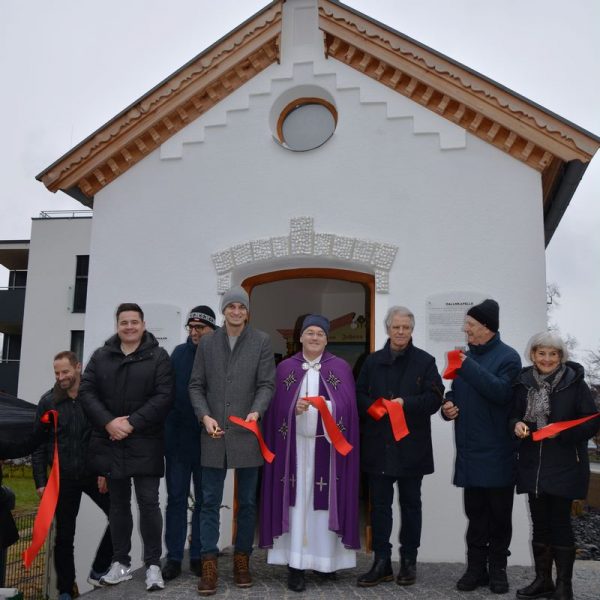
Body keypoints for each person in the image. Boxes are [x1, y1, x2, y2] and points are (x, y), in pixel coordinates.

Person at [259, 314, 360, 593]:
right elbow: (274, 411)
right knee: (298, 504)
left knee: (324, 505)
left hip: (327, 450)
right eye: (310, 333)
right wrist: (294, 410)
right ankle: (296, 564)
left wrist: (327, 407)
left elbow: (349, 409)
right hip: (295, 450)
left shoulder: (339, 368)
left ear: (327, 339)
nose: (314, 337)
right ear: (300, 337)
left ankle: (325, 562)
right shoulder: (284, 369)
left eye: (320, 334)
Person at [80, 303, 172, 592]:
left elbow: (164, 396)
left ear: (143, 325)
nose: (129, 327)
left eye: (134, 322)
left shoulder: (159, 357)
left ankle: (154, 565)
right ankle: (121, 563)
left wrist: (131, 423)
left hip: (145, 441)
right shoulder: (101, 356)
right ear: (117, 325)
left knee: (149, 503)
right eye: (124, 322)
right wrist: (109, 423)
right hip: (111, 443)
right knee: (118, 506)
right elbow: (86, 391)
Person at [188, 287, 275, 595]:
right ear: (223, 311)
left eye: (241, 307)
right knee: (209, 502)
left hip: (246, 433)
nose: (236, 311)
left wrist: (256, 411)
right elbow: (196, 386)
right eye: (231, 307)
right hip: (212, 434)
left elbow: (267, 384)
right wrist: (204, 416)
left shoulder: (262, 341)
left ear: (247, 311)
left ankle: (242, 560)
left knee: (248, 502)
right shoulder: (208, 342)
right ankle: (209, 564)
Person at [356, 306, 444, 587]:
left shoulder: (425, 361)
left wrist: (405, 404)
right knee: (379, 507)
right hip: (378, 446)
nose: (401, 332)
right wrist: (375, 408)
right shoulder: (371, 362)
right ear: (388, 328)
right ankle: (381, 562)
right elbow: (357, 395)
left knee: (411, 506)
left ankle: (409, 562)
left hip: (411, 447)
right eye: (396, 327)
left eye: (406, 327)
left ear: (412, 329)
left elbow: (434, 399)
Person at [510, 332, 599, 600]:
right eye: (542, 353)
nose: (547, 359)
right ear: (533, 355)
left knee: (560, 523)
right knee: (540, 524)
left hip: (564, 466)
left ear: (561, 357)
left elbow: (592, 421)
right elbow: (512, 413)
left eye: (553, 354)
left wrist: (561, 433)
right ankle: (543, 581)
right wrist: (516, 424)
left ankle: (565, 587)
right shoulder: (523, 383)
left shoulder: (575, 384)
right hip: (532, 466)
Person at [442, 298, 521, 594]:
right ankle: (475, 569)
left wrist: (467, 365)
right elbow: (455, 391)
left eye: (471, 325)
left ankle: (497, 569)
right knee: (475, 516)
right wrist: (448, 405)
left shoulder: (509, 358)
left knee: (499, 517)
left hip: (498, 452)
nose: (466, 330)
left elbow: (501, 393)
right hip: (470, 452)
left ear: (487, 328)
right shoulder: (466, 357)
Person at [29, 351, 113, 600]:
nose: (60, 377)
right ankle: (66, 590)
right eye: (56, 373)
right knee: (64, 538)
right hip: (62, 478)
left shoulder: (95, 397)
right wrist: (41, 482)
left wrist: (105, 471)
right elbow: (38, 444)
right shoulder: (49, 402)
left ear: (78, 367)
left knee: (119, 518)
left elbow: (107, 435)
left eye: (65, 371)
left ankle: (99, 570)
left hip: (92, 473)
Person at [162, 306, 217, 581]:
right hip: (178, 442)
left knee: (205, 501)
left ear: (211, 329)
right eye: (191, 327)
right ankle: (173, 557)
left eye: (200, 328)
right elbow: (167, 395)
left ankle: (198, 554)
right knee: (176, 499)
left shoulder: (221, 355)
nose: (194, 332)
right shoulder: (179, 355)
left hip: (208, 442)